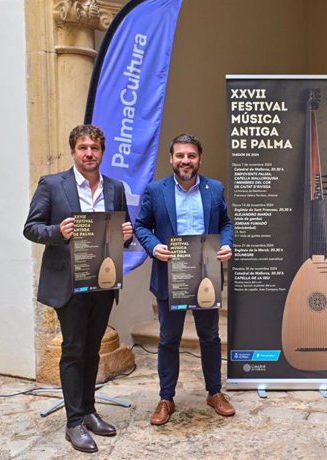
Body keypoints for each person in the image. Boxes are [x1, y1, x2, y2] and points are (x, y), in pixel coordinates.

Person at [23, 124, 133, 453]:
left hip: (101, 282)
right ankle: (74, 423)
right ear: (73, 150)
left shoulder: (114, 188)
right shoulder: (52, 184)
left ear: (102, 152)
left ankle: (89, 411)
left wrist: (126, 236)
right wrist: (58, 231)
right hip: (68, 284)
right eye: (83, 147)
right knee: (73, 349)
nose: (89, 153)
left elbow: (120, 231)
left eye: (95, 148)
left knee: (91, 350)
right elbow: (31, 228)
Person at [134, 133, 234, 426]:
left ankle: (214, 392)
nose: (185, 161)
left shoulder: (214, 189)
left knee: (210, 337)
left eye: (191, 155)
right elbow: (142, 226)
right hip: (170, 276)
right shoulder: (156, 190)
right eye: (180, 155)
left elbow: (226, 224)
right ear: (171, 158)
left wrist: (228, 244)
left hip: (206, 275)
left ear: (199, 159)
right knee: (168, 339)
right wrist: (153, 246)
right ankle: (166, 398)